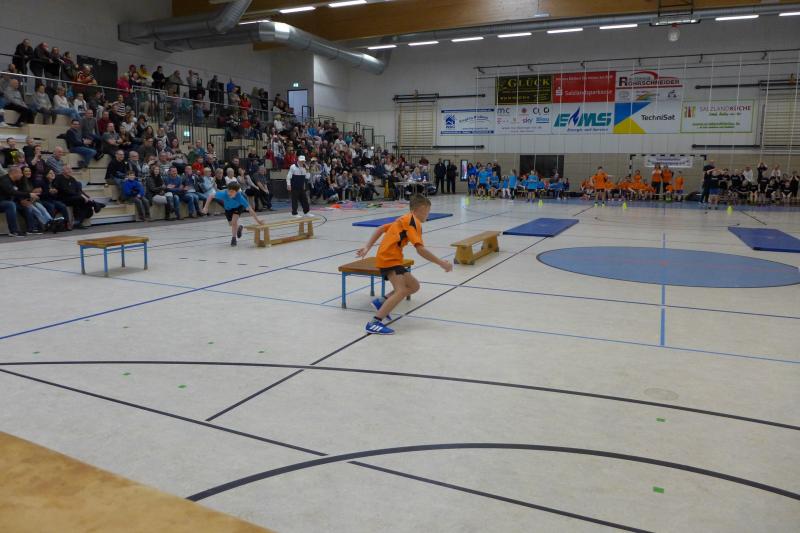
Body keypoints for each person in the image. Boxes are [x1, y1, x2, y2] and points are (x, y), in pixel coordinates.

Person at [356, 194, 453, 335]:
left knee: (414, 286)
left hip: (392, 257)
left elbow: (381, 228)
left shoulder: (404, 219)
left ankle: (382, 302)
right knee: (401, 290)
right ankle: (374, 322)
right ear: (420, 209)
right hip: (389, 258)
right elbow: (420, 249)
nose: (428, 215)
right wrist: (441, 263)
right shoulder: (413, 222)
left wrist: (367, 247)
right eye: (427, 212)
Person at [202, 182, 264, 247]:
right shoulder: (224, 194)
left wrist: (258, 221)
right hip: (228, 209)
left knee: (234, 222)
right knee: (231, 224)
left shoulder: (240, 198)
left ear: (237, 192)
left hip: (238, 208)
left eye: (232, 192)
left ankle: (234, 238)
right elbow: (211, 196)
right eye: (228, 191)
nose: (229, 193)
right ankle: (239, 227)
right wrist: (206, 207)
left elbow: (250, 210)